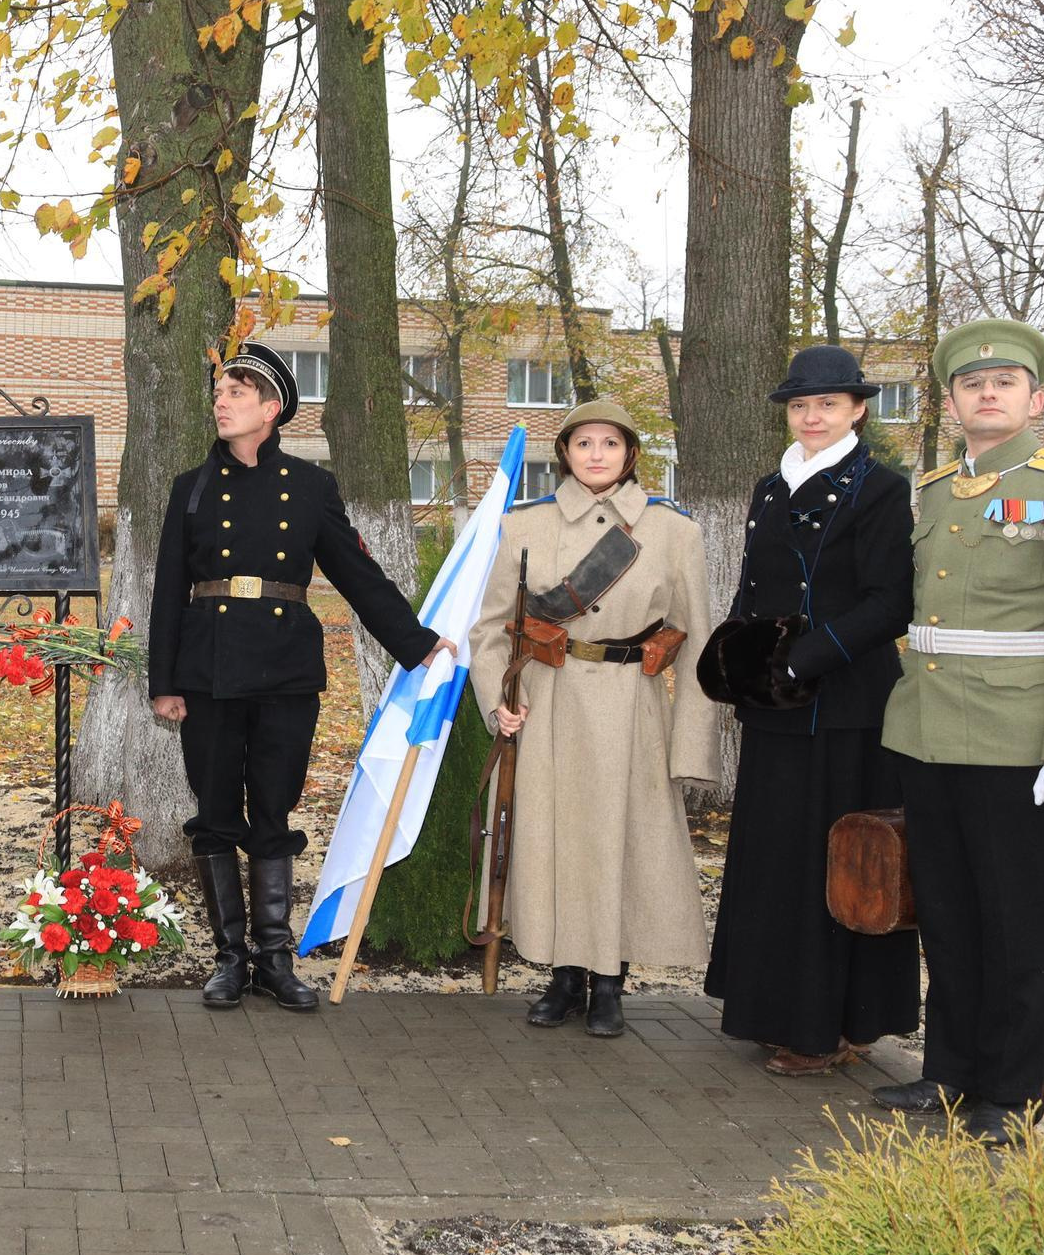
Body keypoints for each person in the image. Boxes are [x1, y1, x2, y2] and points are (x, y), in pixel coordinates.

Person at [873, 318, 1044, 1143]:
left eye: (1005, 382)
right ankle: (950, 1074)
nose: (988, 393)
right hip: (929, 732)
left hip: (1022, 742)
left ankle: (1012, 1095)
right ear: (951, 400)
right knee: (949, 914)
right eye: (971, 384)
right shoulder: (935, 491)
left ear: (1034, 396)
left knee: (1022, 923)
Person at [148, 341, 448, 1013]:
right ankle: (230, 958)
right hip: (209, 669)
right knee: (217, 813)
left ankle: (275, 957)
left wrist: (418, 642)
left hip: (285, 669)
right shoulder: (190, 487)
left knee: (275, 811)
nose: (221, 401)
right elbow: (169, 587)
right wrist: (163, 681)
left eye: (237, 391)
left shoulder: (310, 488)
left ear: (271, 407)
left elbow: (357, 574)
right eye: (220, 391)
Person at [468, 395, 720, 1039]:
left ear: (630, 453)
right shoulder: (524, 528)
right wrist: (497, 701)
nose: (597, 455)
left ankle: (610, 982)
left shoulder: (673, 531)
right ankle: (563, 977)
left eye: (610, 443)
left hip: (631, 710)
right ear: (566, 454)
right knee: (555, 839)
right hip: (548, 702)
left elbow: (698, 643)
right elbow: (491, 628)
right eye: (584, 444)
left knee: (620, 842)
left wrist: (691, 745)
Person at [699, 346, 919, 1074]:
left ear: (858, 408)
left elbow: (890, 602)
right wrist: (735, 656)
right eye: (800, 405)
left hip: (846, 703)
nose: (813, 415)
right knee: (775, 861)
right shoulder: (770, 486)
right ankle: (774, 1009)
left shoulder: (880, 488)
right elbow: (752, 586)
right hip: (776, 703)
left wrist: (803, 658)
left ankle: (832, 1025)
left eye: (828, 403)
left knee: (839, 864)